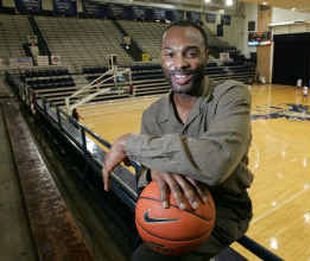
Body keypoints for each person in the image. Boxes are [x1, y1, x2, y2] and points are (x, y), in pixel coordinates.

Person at [102, 21, 253, 261]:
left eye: (191, 54)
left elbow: (215, 162)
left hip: (225, 209)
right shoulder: (152, 114)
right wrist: (154, 172)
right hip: (170, 202)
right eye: (170, 54)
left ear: (205, 55)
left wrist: (130, 144)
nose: (180, 64)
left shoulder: (231, 95)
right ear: (161, 58)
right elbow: (145, 177)